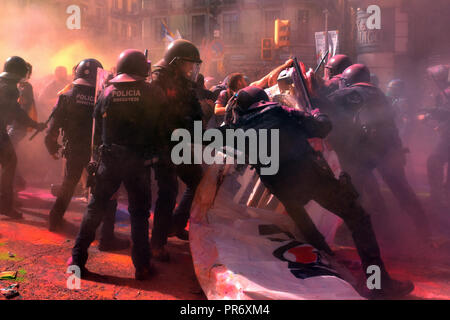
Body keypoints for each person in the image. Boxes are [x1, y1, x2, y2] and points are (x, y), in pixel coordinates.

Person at [224, 85, 415, 298]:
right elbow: (321, 127)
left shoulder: (238, 127)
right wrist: (316, 113)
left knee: (303, 222)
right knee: (358, 219)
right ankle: (377, 283)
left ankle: (324, 257)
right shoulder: (277, 110)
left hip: (280, 186)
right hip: (310, 178)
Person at [70, 49, 163, 280]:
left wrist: (95, 159)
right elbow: (159, 128)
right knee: (139, 214)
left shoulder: (107, 91)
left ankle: (76, 261)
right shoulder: (151, 92)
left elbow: (98, 130)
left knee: (94, 209)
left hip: (109, 160)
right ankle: (142, 266)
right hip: (138, 162)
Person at [324, 64, 431, 241]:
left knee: (353, 194)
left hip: (365, 152)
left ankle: (353, 236)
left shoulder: (352, 93)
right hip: (389, 150)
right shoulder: (379, 94)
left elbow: (325, 103)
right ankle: (425, 233)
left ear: (349, 80)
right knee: (402, 191)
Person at [44, 58, 130, 251]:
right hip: (97, 151)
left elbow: (52, 126)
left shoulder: (66, 95)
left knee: (69, 183)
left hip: (74, 149)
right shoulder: (103, 94)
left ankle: (54, 220)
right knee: (106, 191)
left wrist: (51, 146)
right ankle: (106, 237)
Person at [150, 39, 204, 261]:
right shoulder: (157, 81)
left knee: (196, 179)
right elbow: (156, 117)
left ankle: (176, 224)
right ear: (176, 62)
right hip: (162, 145)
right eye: (188, 64)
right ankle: (157, 244)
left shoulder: (182, 83)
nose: (191, 69)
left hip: (177, 144)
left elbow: (194, 111)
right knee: (168, 192)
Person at [0, 56, 46, 218]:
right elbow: (16, 112)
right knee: (10, 163)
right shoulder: (10, 87)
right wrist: (35, 125)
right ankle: (4, 205)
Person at [422, 65, 450, 211]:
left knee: (434, 161)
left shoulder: (447, 92)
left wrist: (428, 112)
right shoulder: (444, 92)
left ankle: (437, 199)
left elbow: (446, 112)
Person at [8, 62, 38, 192]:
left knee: (7, 154)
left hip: (19, 126)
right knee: (8, 154)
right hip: (15, 125)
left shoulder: (25, 87)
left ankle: (15, 184)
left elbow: (23, 108)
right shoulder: (18, 85)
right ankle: (18, 181)